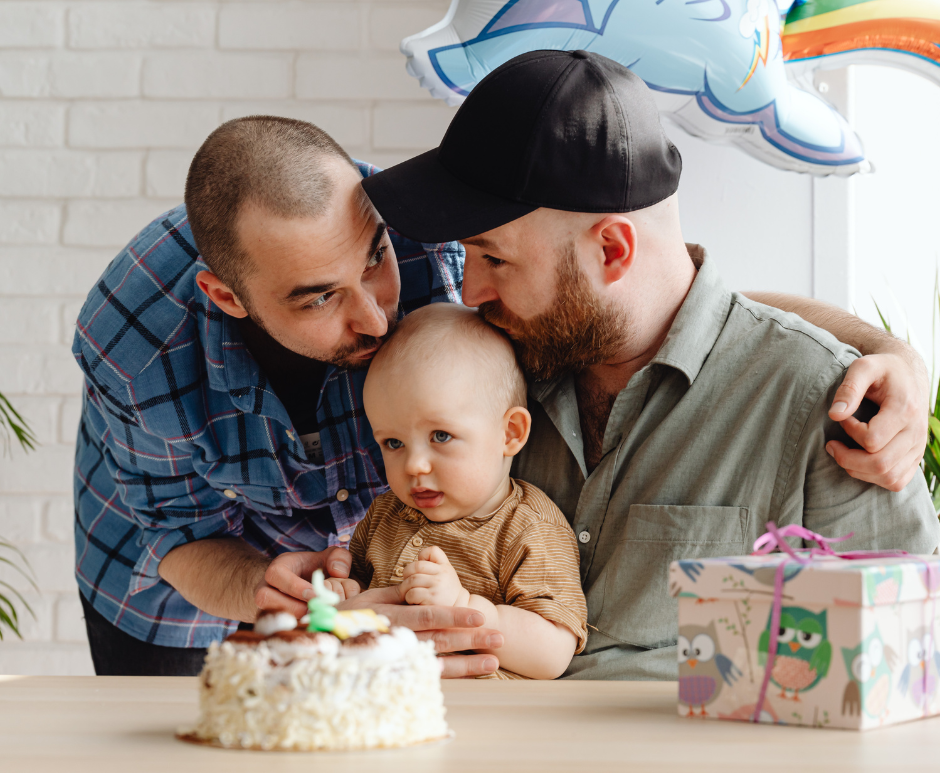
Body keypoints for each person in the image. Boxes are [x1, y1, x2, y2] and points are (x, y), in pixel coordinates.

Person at [73, 108, 927, 678]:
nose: (375, 314)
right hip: (173, 580)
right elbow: (176, 533)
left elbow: (656, 304)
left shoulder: (423, 239)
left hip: (382, 559)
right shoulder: (137, 345)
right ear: (228, 297)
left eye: (372, 261)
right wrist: (272, 590)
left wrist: (884, 350)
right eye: (318, 298)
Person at [360, 49, 940, 680]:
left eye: (495, 259)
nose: (471, 291)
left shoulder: (821, 406)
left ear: (612, 250)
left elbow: (905, 667)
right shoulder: (492, 365)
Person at [323, 302, 587, 680]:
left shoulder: (529, 528)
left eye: (441, 436)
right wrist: (345, 593)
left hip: (478, 709)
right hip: (380, 699)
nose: (414, 465)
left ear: (509, 433)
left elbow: (552, 654)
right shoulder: (384, 515)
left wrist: (464, 604)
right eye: (394, 443)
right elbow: (361, 596)